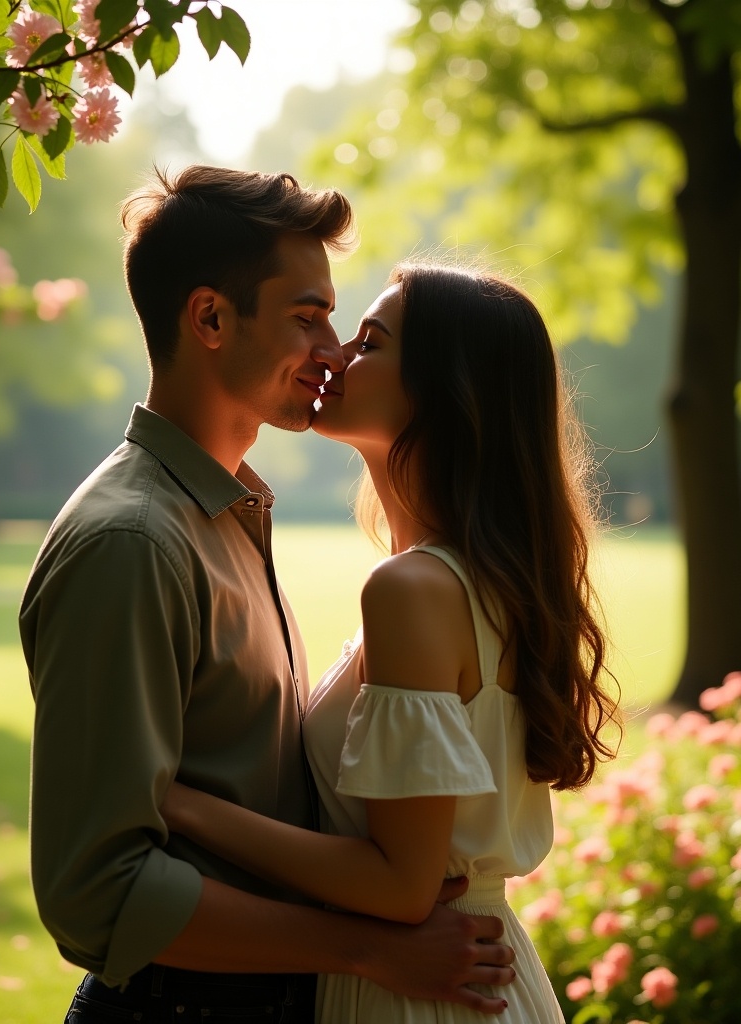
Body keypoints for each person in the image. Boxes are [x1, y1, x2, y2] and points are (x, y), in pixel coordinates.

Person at [19, 168, 517, 1024]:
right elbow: (95, 892)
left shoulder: (227, 514)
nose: (331, 350)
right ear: (211, 318)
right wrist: (366, 948)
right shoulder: (133, 542)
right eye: (307, 317)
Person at [161, 262, 622, 1023]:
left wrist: (184, 805)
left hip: (422, 994)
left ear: (447, 388)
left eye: (370, 341)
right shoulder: (476, 579)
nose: (335, 353)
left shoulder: (413, 591)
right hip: (470, 978)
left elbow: (400, 885)